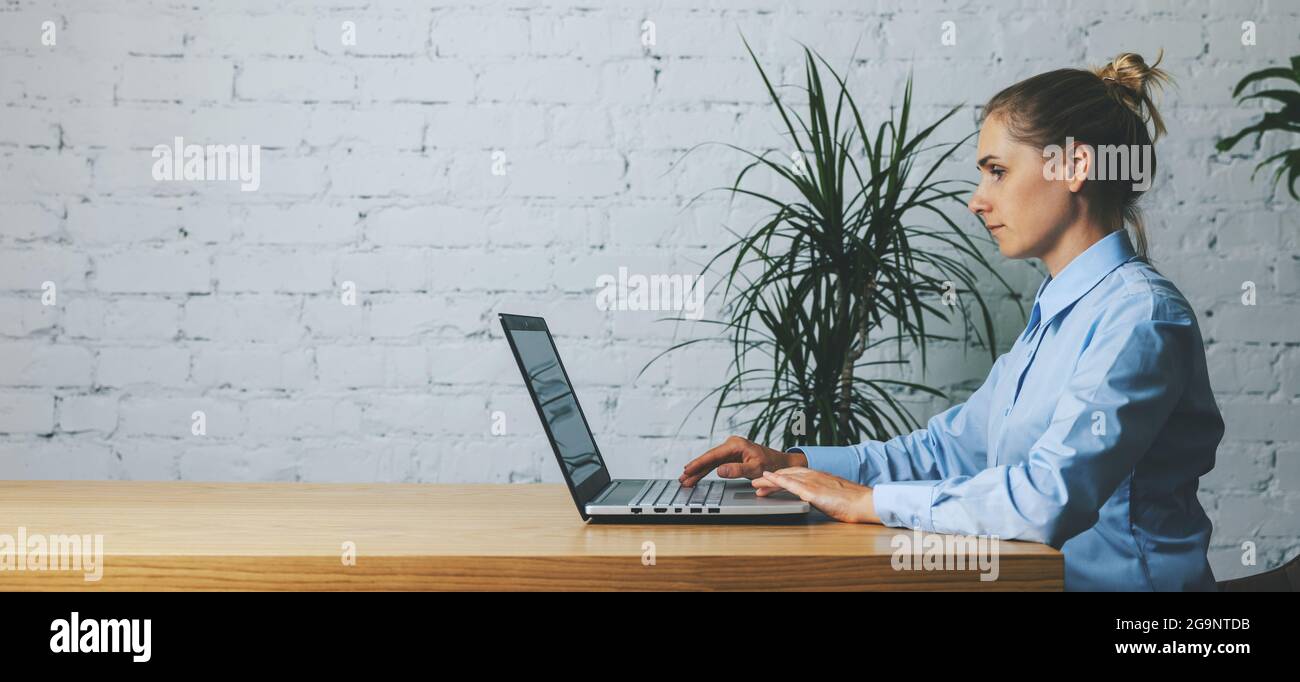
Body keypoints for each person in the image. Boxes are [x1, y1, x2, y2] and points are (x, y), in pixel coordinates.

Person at [679, 52, 1223, 591]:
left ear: (1075, 167)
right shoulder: (1060, 313)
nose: (977, 200)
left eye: (998, 172)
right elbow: (948, 450)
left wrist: (869, 502)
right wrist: (792, 462)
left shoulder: (1138, 319)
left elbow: (1048, 497)